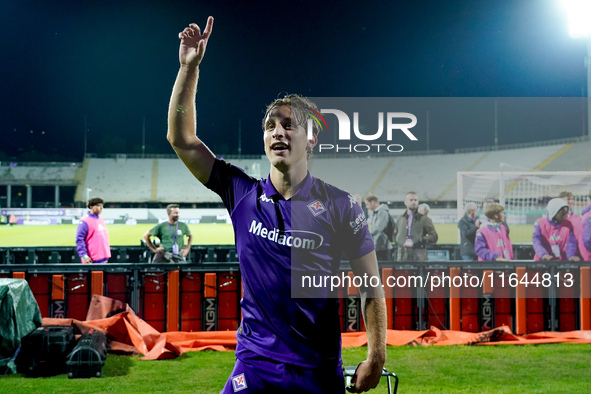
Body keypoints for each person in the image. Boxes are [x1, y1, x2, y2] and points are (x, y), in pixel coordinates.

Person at [167, 18, 386, 393]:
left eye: (288, 125)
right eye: (270, 126)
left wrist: (376, 354)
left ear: (311, 138)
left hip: (316, 369)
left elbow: (370, 285)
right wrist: (189, 68)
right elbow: (182, 139)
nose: (277, 132)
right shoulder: (241, 193)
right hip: (254, 364)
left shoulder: (341, 205)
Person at [393, 192, 438, 261]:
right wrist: (399, 241)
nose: (413, 202)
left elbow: (434, 236)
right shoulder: (400, 218)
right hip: (402, 256)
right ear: (405, 202)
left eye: (415, 200)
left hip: (419, 257)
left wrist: (421, 240)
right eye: (411, 200)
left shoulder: (424, 219)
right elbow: (395, 234)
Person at [75, 197, 111, 264]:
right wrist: (84, 256)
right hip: (91, 260)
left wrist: (106, 257)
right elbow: (79, 239)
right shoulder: (84, 221)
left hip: (102, 259)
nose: (101, 208)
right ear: (91, 207)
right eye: (98, 205)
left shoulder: (101, 219)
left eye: (102, 206)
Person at [364, 194, 394, 261]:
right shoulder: (376, 213)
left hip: (383, 246)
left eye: (367, 204)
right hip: (378, 246)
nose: (366, 207)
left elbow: (379, 228)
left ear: (373, 202)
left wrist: (367, 234)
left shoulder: (382, 212)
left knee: (385, 268)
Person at [559, 191, 582, 256]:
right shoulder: (555, 219)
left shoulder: (578, 218)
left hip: (575, 254)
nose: (571, 201)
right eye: (568, 199)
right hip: (560, 256)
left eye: (572, 199)